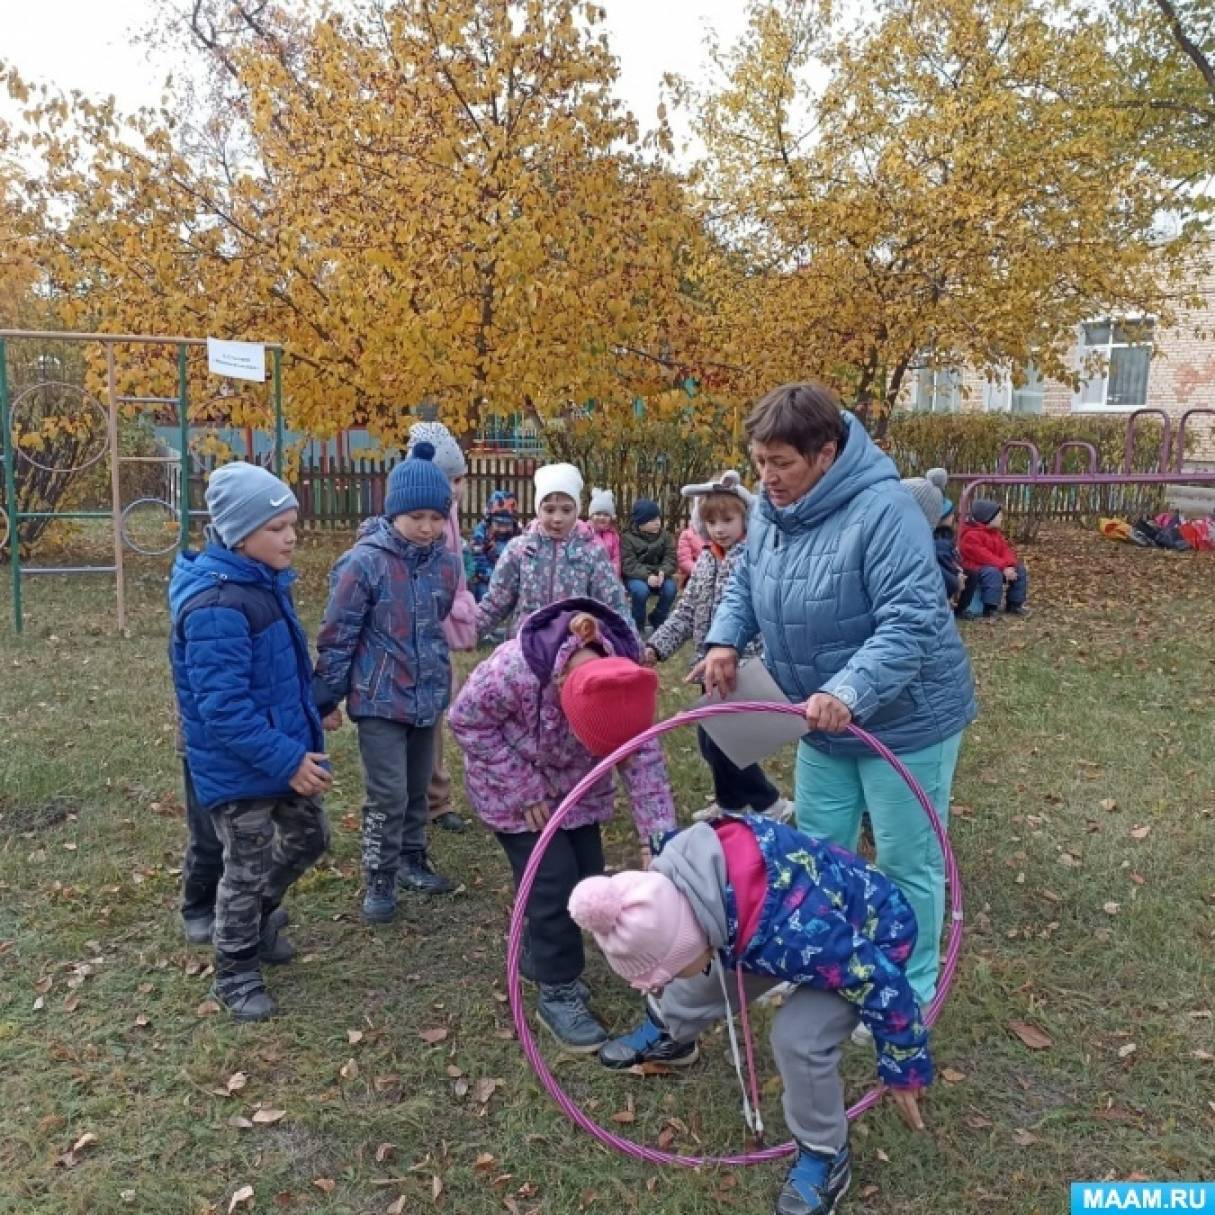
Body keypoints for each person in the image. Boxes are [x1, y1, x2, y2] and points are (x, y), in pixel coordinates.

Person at [702, 382, 977, 1008]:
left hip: (906, 723)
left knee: (907, 863)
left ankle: (907, 993)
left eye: (782, 463)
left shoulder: (886, 512)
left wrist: (848, 689)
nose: (766, 477)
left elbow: (911, 621)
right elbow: (747, 576)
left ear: (826, 454)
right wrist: (724, 639)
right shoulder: (774, 510)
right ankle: (829, 971)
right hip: (821, 721)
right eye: (759, 461)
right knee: (817, 857)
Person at [572, 813, 931, 1215]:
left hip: (865, 937)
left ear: (691, 937)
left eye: (664, 972)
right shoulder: (683, 875)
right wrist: (675, 970)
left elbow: (883, 985)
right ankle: (671, 1034)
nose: (658, 983)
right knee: (700, 980)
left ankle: (824, 1154)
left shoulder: (800, 933)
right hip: (760, 922)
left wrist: (905, 1067)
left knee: (799, 1038)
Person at [449, 599, 675, 1051]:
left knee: (588, 877)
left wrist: (658, 838)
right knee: (552, 882)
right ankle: (557, 989)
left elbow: (642, 759)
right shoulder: (514, 670)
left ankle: (540, 956)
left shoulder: (623, 682)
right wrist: (524, 788)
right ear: (562, 688)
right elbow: (467, 721)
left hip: (580, 790)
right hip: (517, 793)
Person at [168, 462, 331, 1020]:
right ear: (240, 535)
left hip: (276, 754)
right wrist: (288, 758)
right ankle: (235, 970)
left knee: (310, 839)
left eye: (292, 525)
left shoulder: (260, 583)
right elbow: (223, 709)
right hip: (239, 767)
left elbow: (273, 675)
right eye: (277, 528)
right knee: (246, 866)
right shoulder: (219, 606)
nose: (291, 537)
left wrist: (309, 713)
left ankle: (258, 915)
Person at [314, 443, 461, 922]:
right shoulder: (363, 563)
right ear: (394, 511)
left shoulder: (445, 561)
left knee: (418, 785)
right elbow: (339, 634)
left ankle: (412, 857)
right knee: (388, 792)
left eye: (437, 517)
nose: (427, 527)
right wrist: (326, 696)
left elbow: (436, 620)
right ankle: (379, 874)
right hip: (379, 698)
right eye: (416, 516)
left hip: (426, 695)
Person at [645, 470, 792, 824]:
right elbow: (685, 613)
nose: (719, 528)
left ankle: (769, 802)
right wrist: (655, 647)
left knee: (727, 742)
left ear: (746, 518)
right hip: (706, 666)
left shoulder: (753, 560)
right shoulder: (706, 561)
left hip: (743, 667)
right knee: (710, 743)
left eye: (728, 519)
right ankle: (729, 802)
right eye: (711, 521)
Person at [405, 422, 477, 833]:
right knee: (416, 720)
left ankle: (437, 799)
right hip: (416, 636)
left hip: (441, 636)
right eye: (448, 479)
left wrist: (463, 614)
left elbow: (456, 578)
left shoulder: (449, 517)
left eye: (459, 479)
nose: (456, 488)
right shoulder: (421, 518)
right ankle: (418, 801)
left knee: (435, 714)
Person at [475, 462, 632, 639]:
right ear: (538, 509)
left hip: (575, 648)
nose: (558, 518)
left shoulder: (592, 552)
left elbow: (615, 605)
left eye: (566, 510)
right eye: (549, 509)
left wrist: (634, 645)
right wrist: (465, 633)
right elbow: (495, 603)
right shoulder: (519, 551)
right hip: (526, 648)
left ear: (577, 510)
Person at [958, 499, 1030, 618]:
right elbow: (984, 556)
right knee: (992, 573)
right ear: (988, 517)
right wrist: (1003, 567)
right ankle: (990, 607)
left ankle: (1014, 604)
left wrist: (1010, 565)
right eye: (998, 516)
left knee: (1020, 569)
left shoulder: (995, 533)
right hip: (976, 569)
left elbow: (1005, 550)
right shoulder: (970, 535)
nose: (1001, 518)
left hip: (995, 566)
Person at [621, 498, 678, 634]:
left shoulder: (665, 536)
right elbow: (629, 564)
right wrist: (647, 577)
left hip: (660, 575)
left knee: (670, 589)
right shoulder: (627, 538)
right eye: (652, 520)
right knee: (640, 592)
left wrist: (663, 572)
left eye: (658, 518)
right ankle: (637, 624)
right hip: (636, 576)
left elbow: (671, 558)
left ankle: (658, 619)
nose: (657, 522)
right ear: (640, 522)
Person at [469, 489, 522, 603]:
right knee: (483, 591)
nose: (503, 529)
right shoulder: (481, 532)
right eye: (498, 524)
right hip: (487, 577)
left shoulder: (518, 533)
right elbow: (477, 557)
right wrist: (492, 576)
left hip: (510, 578)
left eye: (507, 525)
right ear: (489, 520)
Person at [587, 486, 622, 576]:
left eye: (606, 514)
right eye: (598, 514)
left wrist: (614, 571)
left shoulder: (613, 535)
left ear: (611, 518)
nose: (602, 517)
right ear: (591, 516)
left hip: (609, 574)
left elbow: (616, 557)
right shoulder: (585, 532)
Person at [676, 520, 706, 588]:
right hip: (693, 574)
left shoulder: (716, 533)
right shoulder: (687, 535)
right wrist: (701, 572)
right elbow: (684, 561)